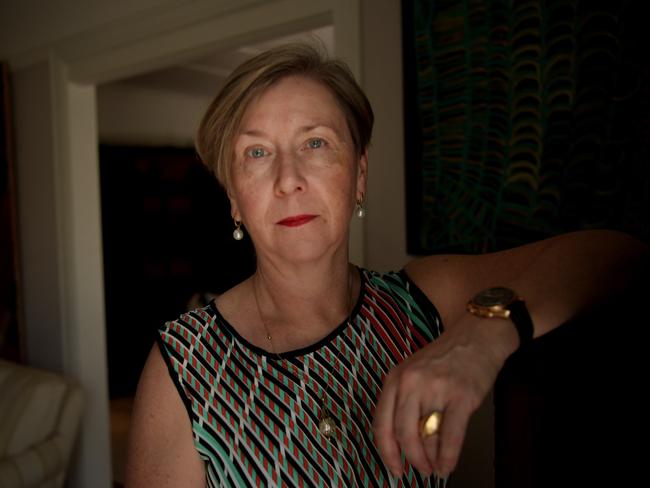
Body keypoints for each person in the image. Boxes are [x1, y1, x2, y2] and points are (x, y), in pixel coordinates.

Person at [124, 43, 648, 487]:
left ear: (358, 175)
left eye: (315, 143)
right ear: (234, 198)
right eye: (257, 154)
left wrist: (484, 336)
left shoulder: (422, 299)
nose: (288, 179)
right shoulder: (184, 366)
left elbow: (617, 257)